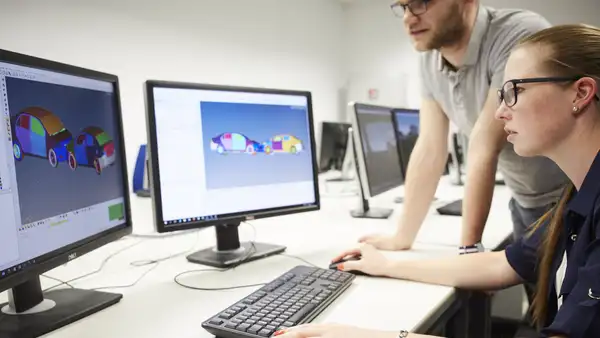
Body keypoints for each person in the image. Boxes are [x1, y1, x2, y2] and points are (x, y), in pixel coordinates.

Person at [276, 23, 600, 338]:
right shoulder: (578, 195)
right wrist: (387, 265)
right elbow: (503, 265)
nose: (500, 112)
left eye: (515, 91)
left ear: (582, 93)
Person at [358, 1, 567, 253]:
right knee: (539, 291)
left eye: (420, 3)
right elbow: (430, 148)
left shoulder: (518, 35)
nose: (408, 19)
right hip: (525, 200)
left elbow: (484, 144)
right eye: (402, 7)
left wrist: (468, 250)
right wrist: (402, 238)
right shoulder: (429, 58)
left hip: (574, 199)